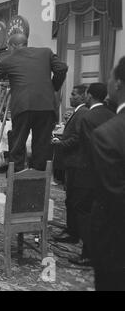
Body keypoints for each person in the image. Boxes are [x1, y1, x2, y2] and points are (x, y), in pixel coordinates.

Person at [0, 33, 68, 172]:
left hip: (22, 106)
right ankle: (37, 184)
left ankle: (17, 182)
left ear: (12, 46)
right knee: (42, 147)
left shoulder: (9, 59)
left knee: (18, 145)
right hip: (46, 106)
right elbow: (62, 68)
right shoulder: (46, 52)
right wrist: (53, 87)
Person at [67, 82, 114, 266]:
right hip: (109, 173)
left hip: (88, 173)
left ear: (90, 95)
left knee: (83, 212)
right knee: (102, 213)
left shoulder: (88, 117)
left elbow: (86, 149)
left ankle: (88, 254)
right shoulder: (112, 115)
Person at [90, 57, 125, 291]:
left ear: (119, 84)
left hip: (116, 248)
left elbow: (112, 200)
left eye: (110, 77)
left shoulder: (109, 134)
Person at [52, 85, 89, 246]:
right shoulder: (78, 112)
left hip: (75, 162)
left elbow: (77, 138)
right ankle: (71, 229)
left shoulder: (82, 113)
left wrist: (60, 143)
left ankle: (73, 232)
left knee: (73, 199)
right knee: (70, 198)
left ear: (82, 97)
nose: (70, 97)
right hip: (72, 162)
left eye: (74, 94)